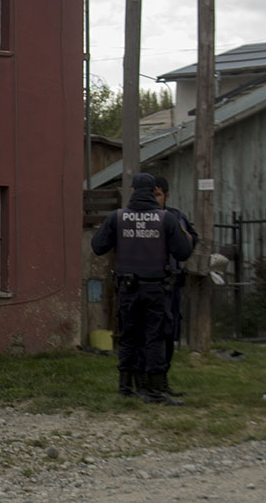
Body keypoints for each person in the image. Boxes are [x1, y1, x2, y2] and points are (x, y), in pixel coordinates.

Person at [91, 172, 194, 404]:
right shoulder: (166, 219)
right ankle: (155, 391)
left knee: (128, 336)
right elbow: (183, 252)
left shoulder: (117, 217)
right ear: (153, 192)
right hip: (156, 288)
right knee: (155, 337)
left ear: (133, 191)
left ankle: (126, 388)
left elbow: (97, 246)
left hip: (126, 288)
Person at [153, 175, 196, 398]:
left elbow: (191, 242)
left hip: (172, 285)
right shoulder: (136, 218)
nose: (154, 199)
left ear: (166, 196)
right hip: (148, 284)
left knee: (169, 334)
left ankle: (163, 381)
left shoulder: (176, 217)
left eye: (158, 194)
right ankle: (146, 383)